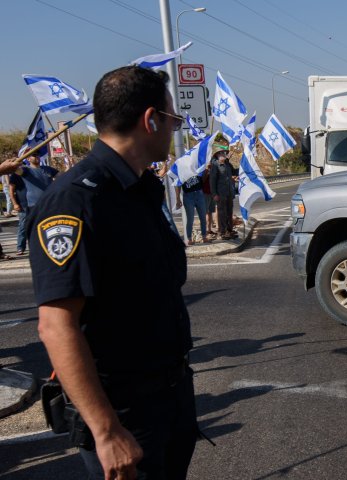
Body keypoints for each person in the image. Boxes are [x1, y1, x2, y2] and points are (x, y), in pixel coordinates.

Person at [28, 65, 198, 479]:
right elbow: (56, 327)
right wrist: (106, 432)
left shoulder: (140, 190)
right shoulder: (76, 201)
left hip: (169, 397)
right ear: (150, 120)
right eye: (173, 120)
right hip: (124, 412)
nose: (174, 130)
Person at [176, 173, 211, 245]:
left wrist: (206, 172)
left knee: (203, 217)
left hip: (199, 193)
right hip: (188, 195)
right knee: (190, 219)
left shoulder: (196, 166)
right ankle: (189, 238)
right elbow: (177, 184)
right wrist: (178, 198)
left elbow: (202, 179)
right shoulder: (181, 168)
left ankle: (204, 237)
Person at [210, 150, 237, 240]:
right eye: (222, 153)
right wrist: (214, 194)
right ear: (217, 155)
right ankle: (222, 232)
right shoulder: (215, 165)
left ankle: (229, 230)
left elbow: (234, 172)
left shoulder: (227, 164)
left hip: (229, 192)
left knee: (229, 212)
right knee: (222, 213)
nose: (224, 155)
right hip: (221, 193)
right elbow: (212, 181)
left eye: (224, 153)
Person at [201, 159, 218, 237]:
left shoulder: (214, 170)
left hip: (212, 193)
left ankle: (209, 229)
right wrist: (207, 171)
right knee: (204, 212)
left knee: (210, 212)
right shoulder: (203, 170)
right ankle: (204, 231)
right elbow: (202, 181)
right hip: (205, 193)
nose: (210, 163)